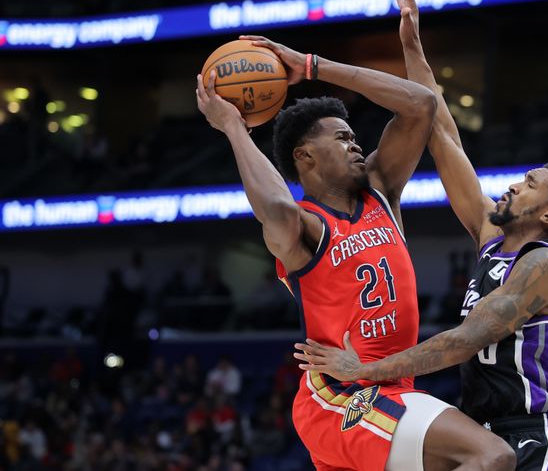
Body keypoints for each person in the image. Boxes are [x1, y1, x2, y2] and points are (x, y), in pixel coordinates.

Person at [294, 0, 548, 470]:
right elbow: (443, 134)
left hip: (535, 437)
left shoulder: (547, 263)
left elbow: (465, 340)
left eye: (529, 184)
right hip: (483, 433)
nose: (513, 184)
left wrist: (364, 370)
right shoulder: (491, 236)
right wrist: (413, 46)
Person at [196, 34, 514, 471]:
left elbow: (421, 104)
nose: (356, 144)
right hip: (341, 395)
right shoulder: (305, 225)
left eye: (354, 136)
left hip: (390, 385)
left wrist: (312, 66)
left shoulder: (379, 191)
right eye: (342, 138)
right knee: (490, 455)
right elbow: (274, 207)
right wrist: (234, 127)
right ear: (305, 156)